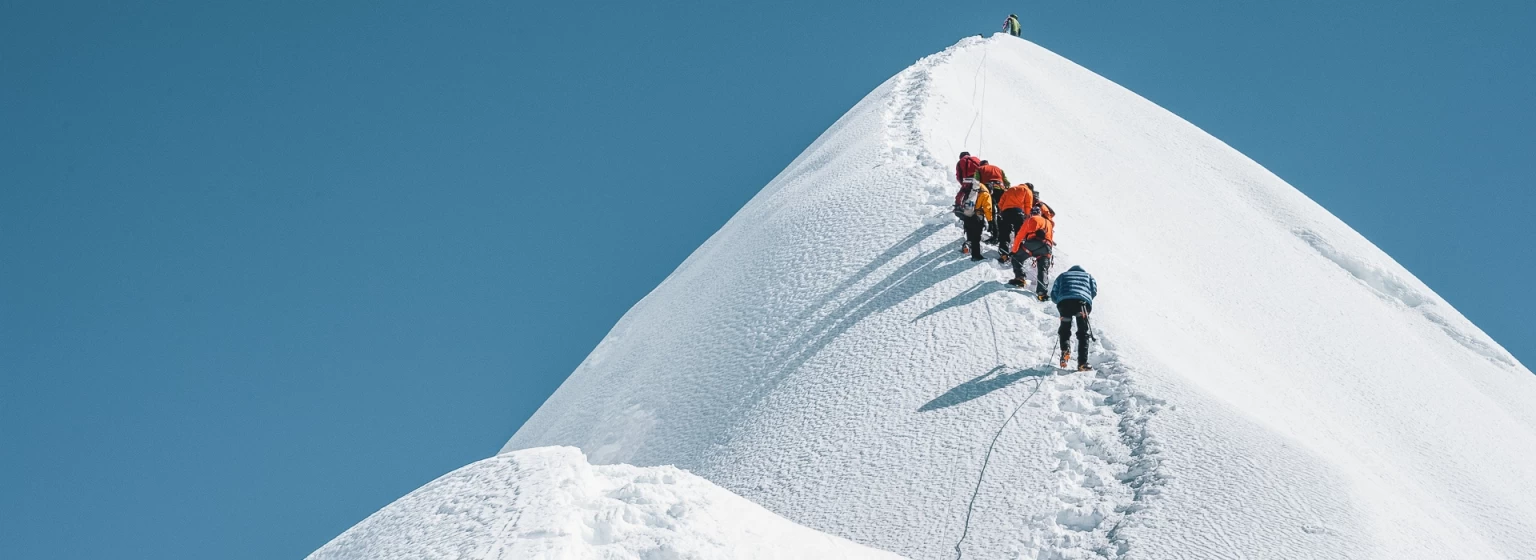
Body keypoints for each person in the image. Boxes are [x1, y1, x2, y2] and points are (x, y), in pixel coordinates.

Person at [1050, 266, 1097, 371]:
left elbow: (1054, 293)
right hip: (1082, 304)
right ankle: (1082, 363)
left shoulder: (1062, 276)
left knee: (1065, 327)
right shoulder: (1088, 276)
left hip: (1064, 303)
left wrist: (1059, 301)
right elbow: (1093, 291)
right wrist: (1086, 298)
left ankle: (1065, 348)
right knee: (1083, 332)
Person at [1008, 206, 1054, 299]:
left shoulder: (1031, 220)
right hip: (1047, 247)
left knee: (1017, 257)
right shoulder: (1048, 223)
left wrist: (1014, 251)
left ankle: (1020, 278)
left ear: (1032, 213)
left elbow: (1019, 236)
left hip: (1033, 243)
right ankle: (1042, 292)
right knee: (1043, 269)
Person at [993, 182, 1035, 263]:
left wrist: (1001, 211)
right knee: (1019, 234)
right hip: (1018, 213)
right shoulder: (1027, 191)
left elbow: (1001, 201)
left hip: (1006, 212)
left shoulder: (1011, 189)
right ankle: (1018, 253)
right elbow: (1028, 204)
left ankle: (1003, 254)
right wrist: (1027, 216)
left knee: (1004, 233)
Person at [961, 186, 994, 261]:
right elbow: (987, 208)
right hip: (977, 217)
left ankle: (967, 249)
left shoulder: (972, 190)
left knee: (970, 235)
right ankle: (976, 256)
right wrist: (990, 221)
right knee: (976, 238)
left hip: (967, 215)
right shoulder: (985, 194)